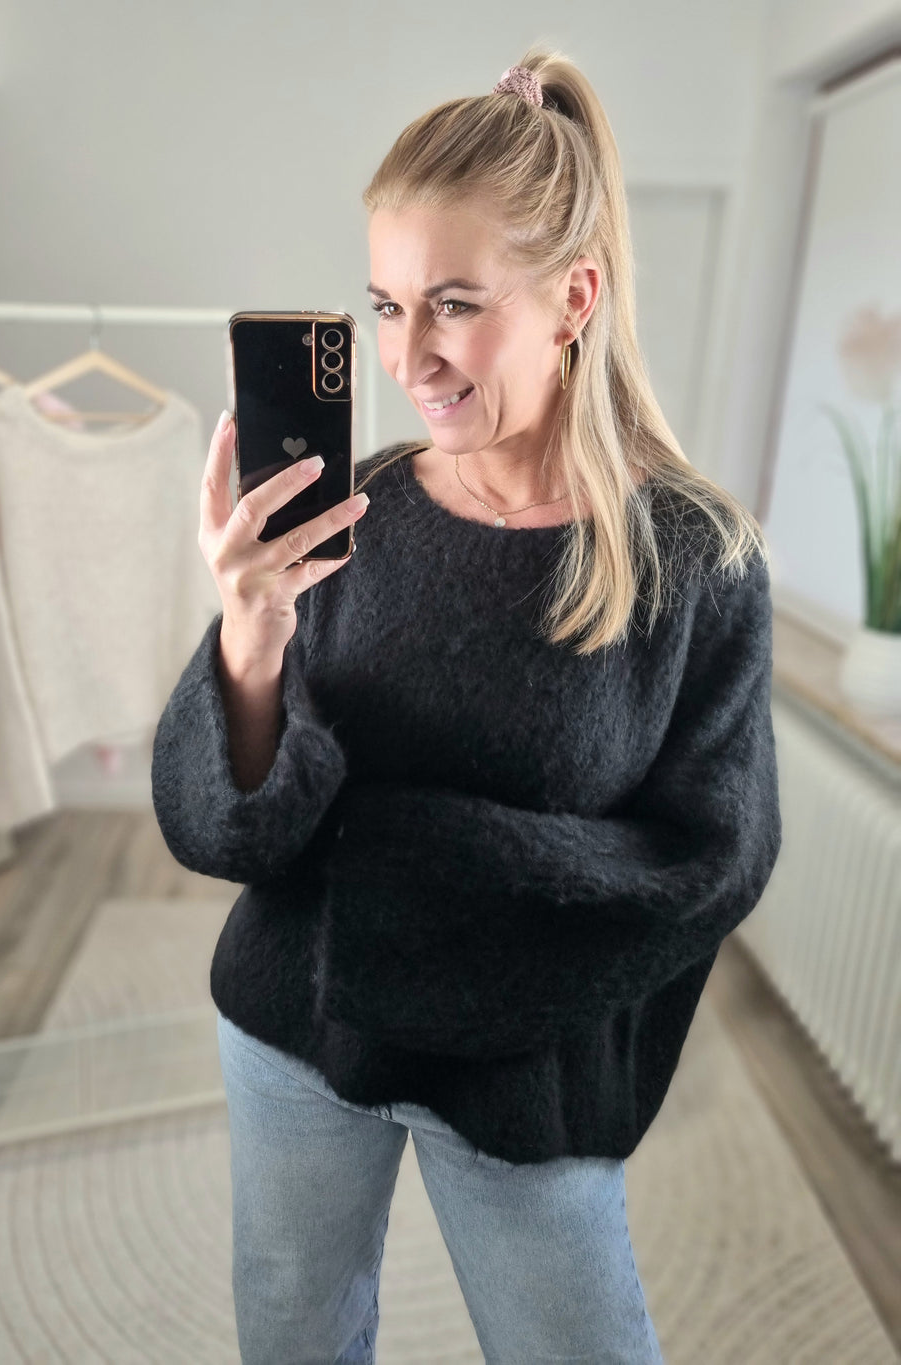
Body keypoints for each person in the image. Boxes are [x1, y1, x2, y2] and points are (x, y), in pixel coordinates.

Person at [151, 45, 782, 1365]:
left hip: (521, 1064)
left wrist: (408, 872)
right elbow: (233, 829)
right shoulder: (355, 512)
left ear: (574, 297)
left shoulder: (693, 561)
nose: (409, 358)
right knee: (294, 1334)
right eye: (385, 306)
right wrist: (250, 630)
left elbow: (711, 857)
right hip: (294, 1024)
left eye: (453, 304)